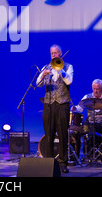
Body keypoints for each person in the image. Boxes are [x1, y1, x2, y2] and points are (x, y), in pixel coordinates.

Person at [36, 44, 74, 173]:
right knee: (49, 134)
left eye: (56, 53)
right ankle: (49, 162)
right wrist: (43, 75)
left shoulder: (69, 67)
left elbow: (69, 81)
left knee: (63, 134)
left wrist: (60, 69)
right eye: (52, 53)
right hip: (48, 105)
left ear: (60, 53)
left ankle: (63, 162)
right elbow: (37, 84)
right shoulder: (45, 67)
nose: (53, 55)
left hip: (62, 105)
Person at [71, 79, 102, 154]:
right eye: (94, 89)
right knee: (78, 130)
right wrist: (75, 108)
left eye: (97, 89)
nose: (95, 91)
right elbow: (80, 108)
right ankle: (84, 153)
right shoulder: (87, 97)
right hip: (91, 122)